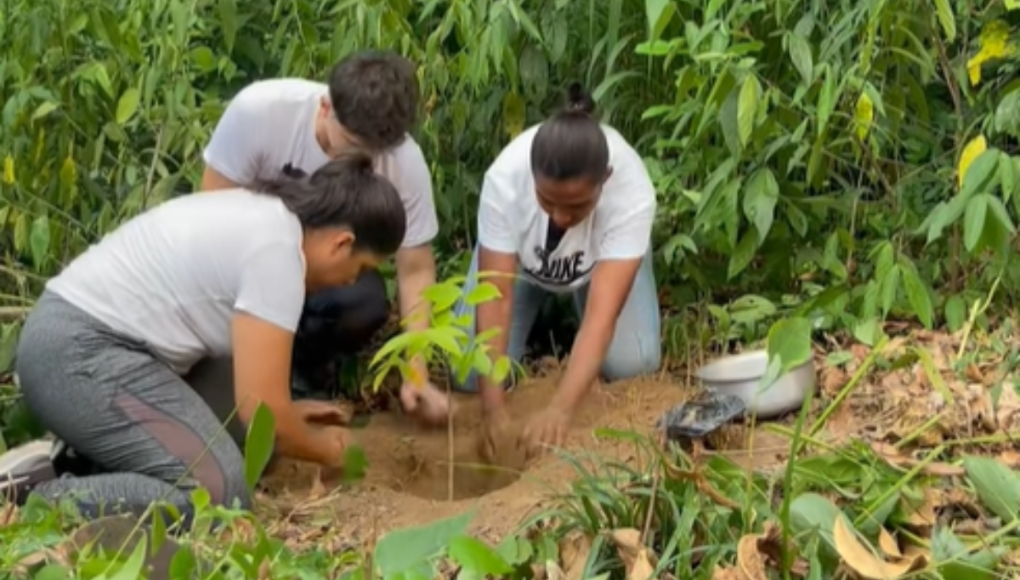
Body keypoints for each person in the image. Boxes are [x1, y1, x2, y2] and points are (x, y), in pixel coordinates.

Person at [0, 152, 404, 524]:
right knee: (217, 494)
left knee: (246, 437)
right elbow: (264, 415)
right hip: (77, 354)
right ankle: (37, 498)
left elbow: (258, 410)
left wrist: (290, 415)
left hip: (99, 348)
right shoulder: (277, 255)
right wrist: (329, 451)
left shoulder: (269, 218)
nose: (351, 282)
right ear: (342, 243)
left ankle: (76, 463)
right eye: (360, 268)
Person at [200, 49, 448, 424]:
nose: (356, 158)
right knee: (227, 412)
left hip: (324, 280)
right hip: (249, 266)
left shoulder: (403, 162)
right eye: (349, 143)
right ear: (325, 106)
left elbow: (415, 269)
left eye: (372, 153)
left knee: (362, 301)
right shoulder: (260, 113)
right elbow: (210, 219)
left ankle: (304, 379)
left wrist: (417, 372)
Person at [454, 84, 661, 459]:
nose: (561, 217)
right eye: (547, 201)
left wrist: (560, 409)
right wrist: (493, 409)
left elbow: (602, 317)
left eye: (577, 206)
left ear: (605, 181)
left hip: (597, 267)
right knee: (469, 373)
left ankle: (562, 313)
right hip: (521, 269)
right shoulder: (505, 178)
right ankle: (543, 312)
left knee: (635, 363)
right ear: (531, 177)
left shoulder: (631, 190)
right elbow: (496, 299)